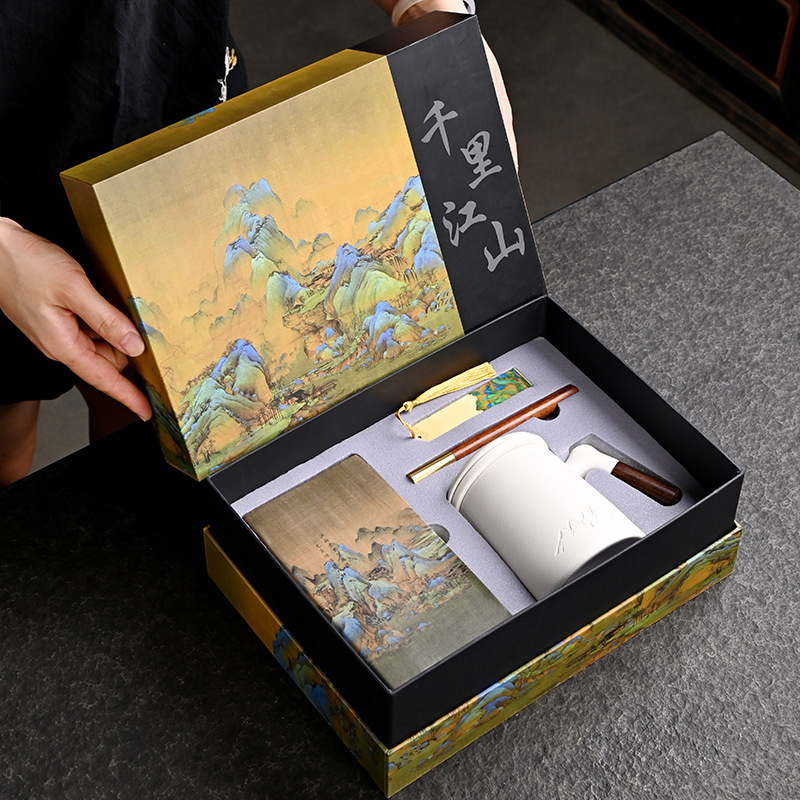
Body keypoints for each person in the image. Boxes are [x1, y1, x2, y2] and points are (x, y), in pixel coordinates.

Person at [0, 0, 513, 486]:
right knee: (8, 434)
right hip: (11, 175)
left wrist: (432, 13)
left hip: (173, 115)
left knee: (137, 422)